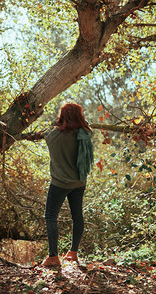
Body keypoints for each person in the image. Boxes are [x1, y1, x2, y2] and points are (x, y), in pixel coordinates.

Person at [35, 101, 94, 267]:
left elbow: (46, 130)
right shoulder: (84, 134)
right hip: (79, 182)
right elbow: (87, 127)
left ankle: (53, 256)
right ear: (79, 117)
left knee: (50, 216)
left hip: (59, 183)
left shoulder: (52, 135)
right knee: (77, 216)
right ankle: (73, 253)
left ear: (61, 116)